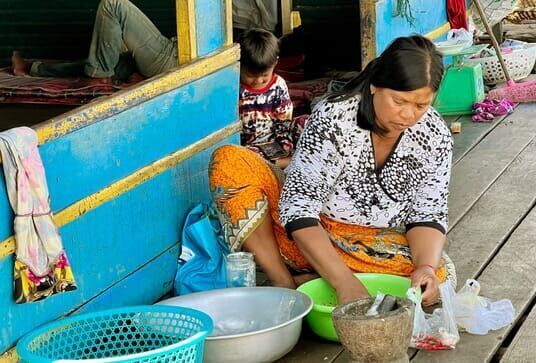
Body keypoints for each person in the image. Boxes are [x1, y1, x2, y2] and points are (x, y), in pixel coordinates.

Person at [210, 35, 456, 306]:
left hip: (367, 247)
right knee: (229, 162)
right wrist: (344, 282)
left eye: (421, 105)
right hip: (305, 236)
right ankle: (284, 283)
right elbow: (299, 209)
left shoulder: (435, 135)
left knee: (439, 275)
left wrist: (425, 269)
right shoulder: (334, 119)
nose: (409, 115)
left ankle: (315, 279)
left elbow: (428, 214)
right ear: (375, 85)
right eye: (399, 102)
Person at [11, 0, 178, 82]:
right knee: (105, 59)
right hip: (171, 56)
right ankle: (33, 68)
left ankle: (100, 74)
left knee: (113, 4)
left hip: (173, 59)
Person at [237, 28, 303, 169]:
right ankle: (283, 163)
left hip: (275, 139)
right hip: (249, 146)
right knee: (244, 156)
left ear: (275, 64)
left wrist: (284, 143)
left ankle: (283, 160)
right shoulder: (235, 88)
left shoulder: (278, 85)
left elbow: (284, 121)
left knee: (305, 123)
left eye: (264, 75)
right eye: (251, 76)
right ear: (239, 65)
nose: (258, 81)